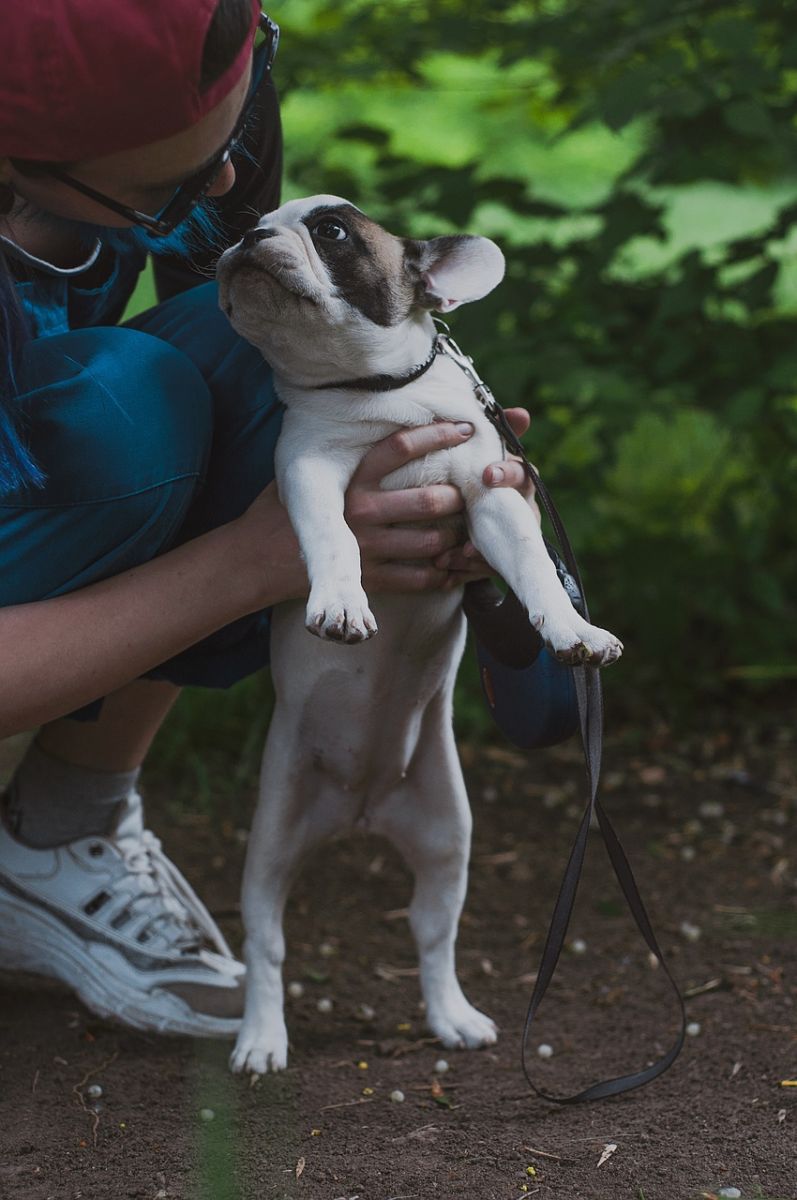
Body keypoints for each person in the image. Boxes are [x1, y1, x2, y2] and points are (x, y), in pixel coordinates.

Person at [0, 0, 536, 1037]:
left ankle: (61, 832)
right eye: (169, 185)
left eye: (227, 142)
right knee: (128, 407)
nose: (222, 188)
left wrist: (435, 461)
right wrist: (257, 562)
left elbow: (259, 368)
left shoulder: (205, 82)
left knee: (290, 369)